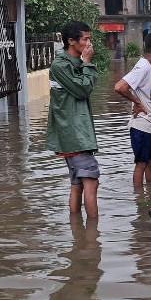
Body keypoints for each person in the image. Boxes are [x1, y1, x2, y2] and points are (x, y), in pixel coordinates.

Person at [47, 21, 100, 218]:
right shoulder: (60, 65)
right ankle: (93, 239)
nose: (89, 44)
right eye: (85, 39)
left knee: (77, 184)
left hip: (76, 135)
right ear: (71, 41)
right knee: (91, 182)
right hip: (74, 136)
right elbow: (83, 90)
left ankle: (79, 236)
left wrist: (84, 64)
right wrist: (87, 63)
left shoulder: (71, 64)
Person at [114, 32, 151, 188]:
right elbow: (119, 87)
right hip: (141, 125)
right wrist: (137, 102)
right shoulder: (143, 67)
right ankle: (139, 203)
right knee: (141, 163)